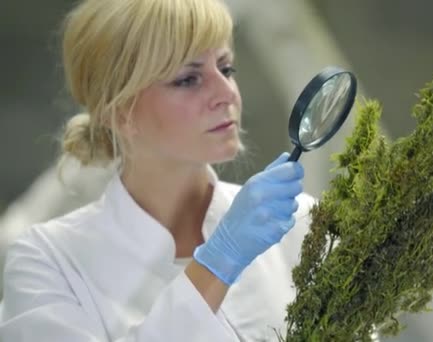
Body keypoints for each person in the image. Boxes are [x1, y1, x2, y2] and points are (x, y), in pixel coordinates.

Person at [0, 0, 316, 340]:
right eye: (188, 79)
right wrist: (221, 259)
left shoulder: (298, 227)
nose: (226, 94)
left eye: (225, 69)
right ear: (119, 111)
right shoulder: (49, 263)